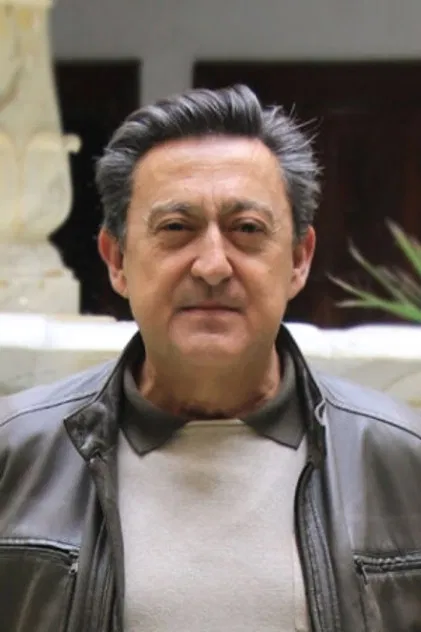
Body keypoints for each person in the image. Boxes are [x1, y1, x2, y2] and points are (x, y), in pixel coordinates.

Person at [1, 84, 421, 632]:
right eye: (177, 228)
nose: (213, 266)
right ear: (117, 259)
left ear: (298, 259)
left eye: (247, 230)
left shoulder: (399, 461)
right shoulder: (18, 457)